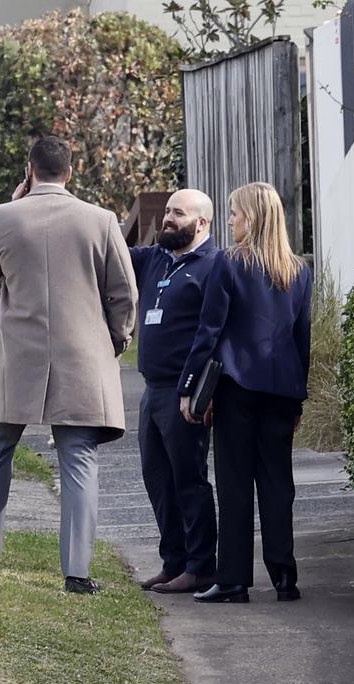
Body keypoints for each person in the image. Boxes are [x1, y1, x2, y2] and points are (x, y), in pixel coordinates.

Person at [0, 136, 138, 594]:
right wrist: (116, 337)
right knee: (78, 458)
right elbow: (124, 291)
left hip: (18, 354)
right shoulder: (101, 220)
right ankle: (77, 572)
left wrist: (9, 207)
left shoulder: (2, 217)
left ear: (29, 170)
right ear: (70, 172)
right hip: (83, 355)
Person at [178, 182, 312, 604]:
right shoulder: (299, 270)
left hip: (236, 387)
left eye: (235, 213)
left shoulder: (227, 263)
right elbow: (301, 339)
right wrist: (298, 398)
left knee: (235, 485)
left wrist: (189, 386)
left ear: (250, 218)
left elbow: (209, 332)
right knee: (277, 484)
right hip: (281, 391)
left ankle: (234, 580)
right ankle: (284, 578)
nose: (231, 220)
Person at [130, 189, 220, 594]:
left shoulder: (213, 266)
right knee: (157, 479)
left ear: (201, 223)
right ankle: (174, 562)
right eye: (167, 211)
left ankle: (201, 567)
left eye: (178, 214)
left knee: (188, 479)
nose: (167, 219)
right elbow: (107, 245)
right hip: (152, 389)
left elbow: (212, 334)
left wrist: (196, 390)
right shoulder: (155, 259)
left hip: (185, 393)